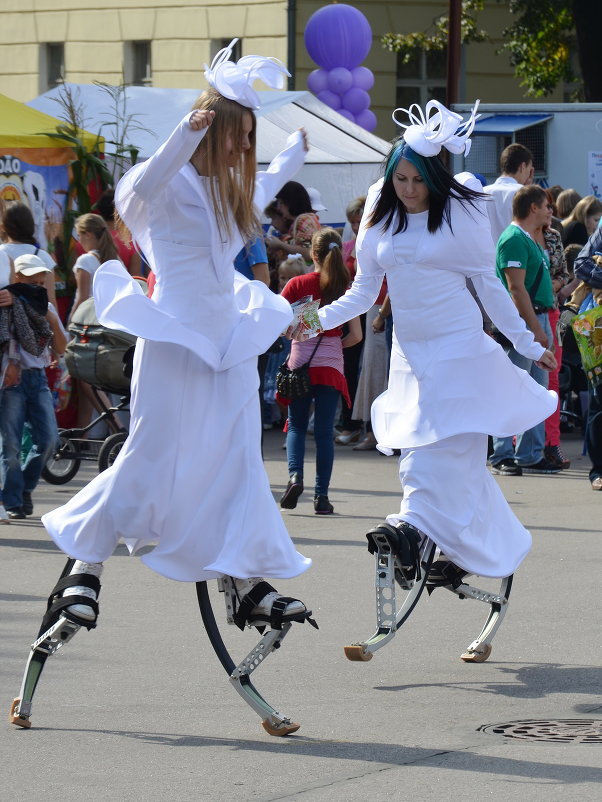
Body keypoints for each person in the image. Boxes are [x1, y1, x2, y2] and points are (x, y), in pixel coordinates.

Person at [35, 42, 313, 634]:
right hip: (173, 334)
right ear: (211, 130)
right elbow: (130, 199)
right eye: (237, 134)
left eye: (248, 136)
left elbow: (260, 193)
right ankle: (87, 567)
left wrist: (290, 160)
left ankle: (242, 578)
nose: (243, 146)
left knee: (236, 457)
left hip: (226, 341)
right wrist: (184, 135)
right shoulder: (158, 185)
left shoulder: (230, 195)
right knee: (152, 450)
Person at [292, 100, 557, 580]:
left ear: (434, 177)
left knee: (450, 455)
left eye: (418, 180)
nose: (410, 190)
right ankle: (451, 545)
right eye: (402, 180)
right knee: (421, 451)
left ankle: (413, 530)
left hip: (459, 351)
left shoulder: (462, 214)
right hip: (410, 355)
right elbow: (362, 293)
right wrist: (312, 319)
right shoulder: (382, 216)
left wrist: (528, 341)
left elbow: (491, 288)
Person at [279, 227, 362, 514]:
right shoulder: (344, 288)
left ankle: (294, 477)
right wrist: (333, 345)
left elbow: (284, 328)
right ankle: (322, 498)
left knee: (297, 425)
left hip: (300, 364)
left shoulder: (298, 284)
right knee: (325, 432)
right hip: (330, 367)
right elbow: (355, 336)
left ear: (312, 253)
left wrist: (300, 332)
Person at [489, 185, 560, 475]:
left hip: (536, 320)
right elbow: (515, 288)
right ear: (533, 208)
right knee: (511, 387)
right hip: (522, 325)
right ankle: (502, 453)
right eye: (545, 206)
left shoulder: (527, 238)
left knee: (535, 391)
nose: (548, 211)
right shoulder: (513, 238)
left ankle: (529, 453)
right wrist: (535, 330)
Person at [0, 254, 67, 520]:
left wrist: (51, 319)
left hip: (37, 379)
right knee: (11, 446)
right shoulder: (7, 301)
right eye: (32, 281)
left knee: (49, 440)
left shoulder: (44, 307)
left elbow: (61, 348)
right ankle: (14, 501)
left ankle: (24, 488)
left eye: (41, 281)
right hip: (12, 380)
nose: (38, 286)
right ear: (17, 278)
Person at [336, 196, 367, 445]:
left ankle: (362, 424)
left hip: (371, 309)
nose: (355, 226)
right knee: (349, 367)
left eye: (358, 221)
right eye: (352, 222)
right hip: (350, 310)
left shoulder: (369, 244)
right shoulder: (347, 247)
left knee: (368, 369)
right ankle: (350, 422)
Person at [0, 202, 57, 310]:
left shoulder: (2, 256)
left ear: (3, 227)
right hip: (39, 322)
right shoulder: (43, 256)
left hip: (10, 323)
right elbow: (51, 302)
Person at [483, 143, 534, 244]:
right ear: (522, 167)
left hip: (486, 256)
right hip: (515, 255)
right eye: (529, 170)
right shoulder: (523, 193)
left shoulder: (482, 192)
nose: (529, 175)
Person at [265, 181, 321, 266]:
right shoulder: (298, 222)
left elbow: (309, 252)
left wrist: (280, 245)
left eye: (281, 203)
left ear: (290, 202)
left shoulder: (304, 220)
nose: (278, 207)